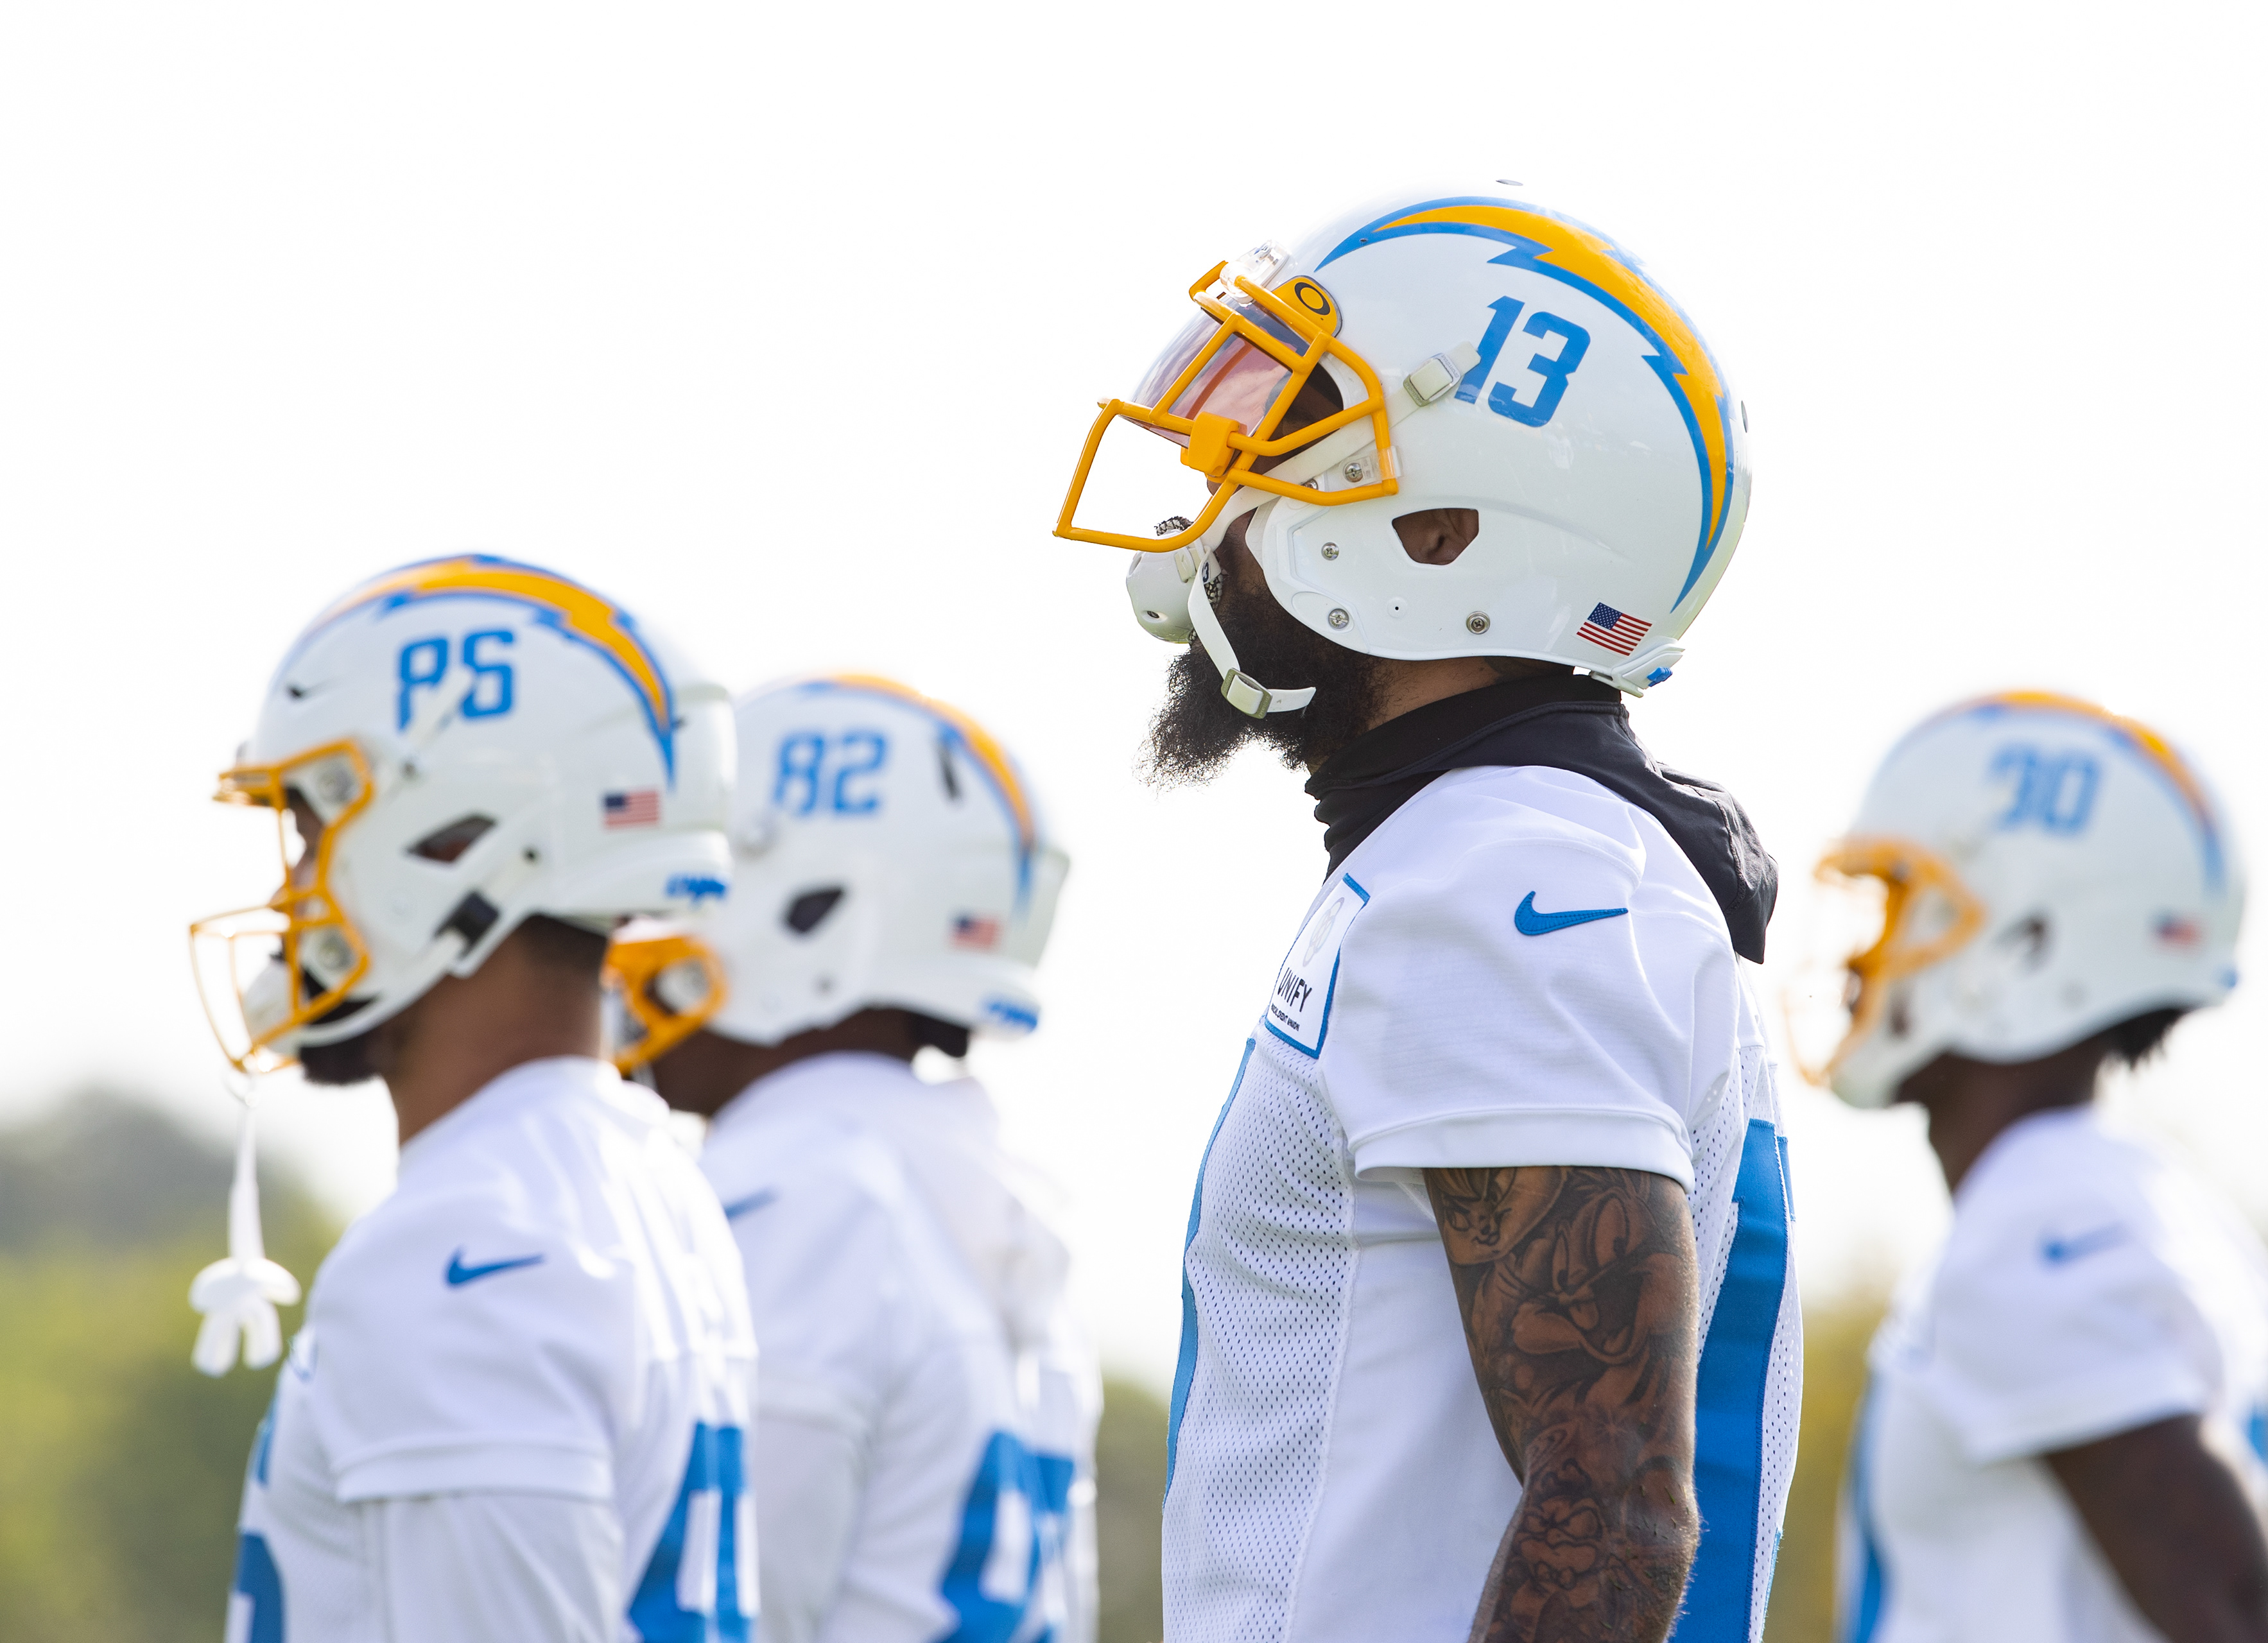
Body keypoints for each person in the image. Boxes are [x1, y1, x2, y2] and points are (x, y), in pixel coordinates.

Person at [1053, 187, 1797, 1643]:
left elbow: (1618, 1505)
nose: (1217, 487)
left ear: (1444, 527)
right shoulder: (1530, 859)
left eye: (1283, 437)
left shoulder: (1497, 881)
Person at [189, 555, 757, 1642]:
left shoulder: (461, 1251)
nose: (288, 893)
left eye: (314, 832)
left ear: (454, 847)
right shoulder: (651, 1184)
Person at [1794, 691, 2268, 1643]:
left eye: (1909, 904)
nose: (1867, 957)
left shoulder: (2043, 1222)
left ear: (2026, 945)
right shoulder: (2116, 1197)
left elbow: (2233, 1610)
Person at [607, 672, 1096, 1643]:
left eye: (690, 886)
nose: (638, 930)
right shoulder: (980, 1209)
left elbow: (707, 1613)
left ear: (808, 916)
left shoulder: (800, 1198)